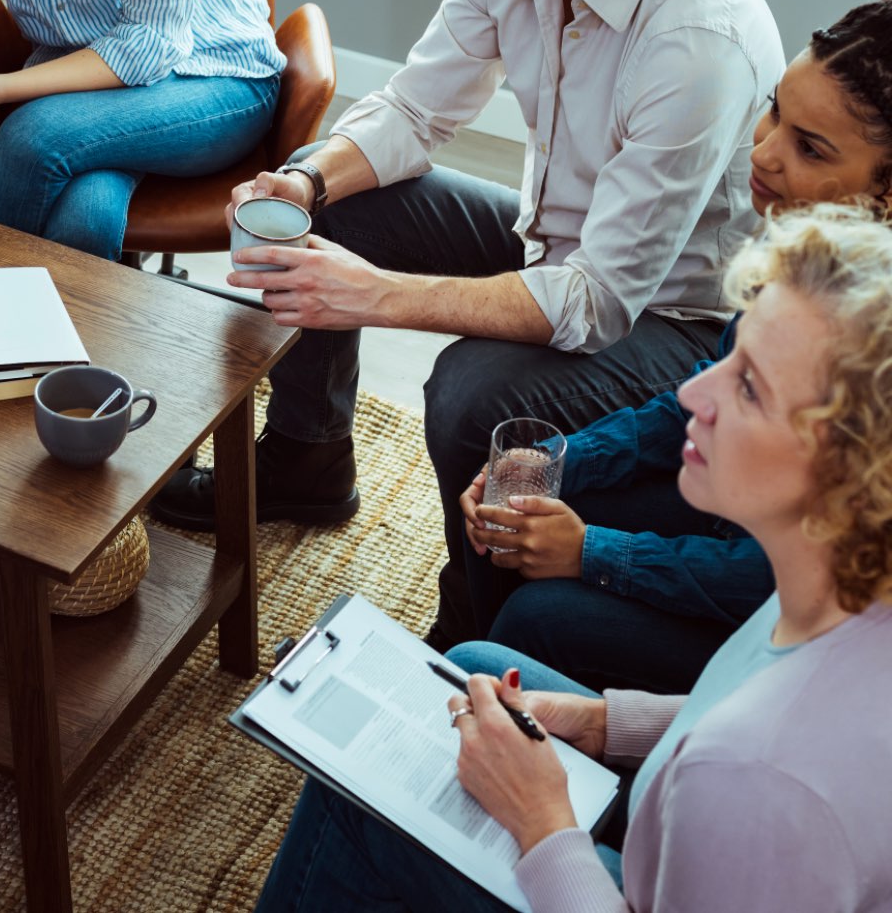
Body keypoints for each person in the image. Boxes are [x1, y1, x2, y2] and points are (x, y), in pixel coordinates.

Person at [255, 203, 892, 910]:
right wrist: (604, 724)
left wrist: (544, 823)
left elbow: (749, 762)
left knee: (360, 794)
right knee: (473, 670)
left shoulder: (752, 782)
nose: (692, 391)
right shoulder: (841, 588)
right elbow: (736, 702)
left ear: (858, 474)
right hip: (691, 810)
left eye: (748, 387)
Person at [148, 0, 785, 636]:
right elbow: (416, 108)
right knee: (332, 205)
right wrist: (304, 182)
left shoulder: (699, 37)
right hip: (556, 244)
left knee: (472, 397)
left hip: (671, 317)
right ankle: (307, 461)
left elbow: (598, 299)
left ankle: (468, 631)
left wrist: (376, 295)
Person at [452, 0, 892, 694]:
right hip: (743, 525)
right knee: (521, 503)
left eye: (809, 148)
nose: (765, 153)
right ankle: (470, 662)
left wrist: (595, 554)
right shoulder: (804, 258)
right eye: (776, 110)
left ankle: (551, 733)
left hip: (791, 632)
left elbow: (779, 580)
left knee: (543, 613)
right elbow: (683, 408)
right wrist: (557, 464)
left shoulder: (870, 348)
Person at [0, 0, 285, 262]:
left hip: (216, 75)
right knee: (85, 220)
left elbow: (147, 44)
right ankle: (51, 359)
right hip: (87, 65)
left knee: (31, 136)